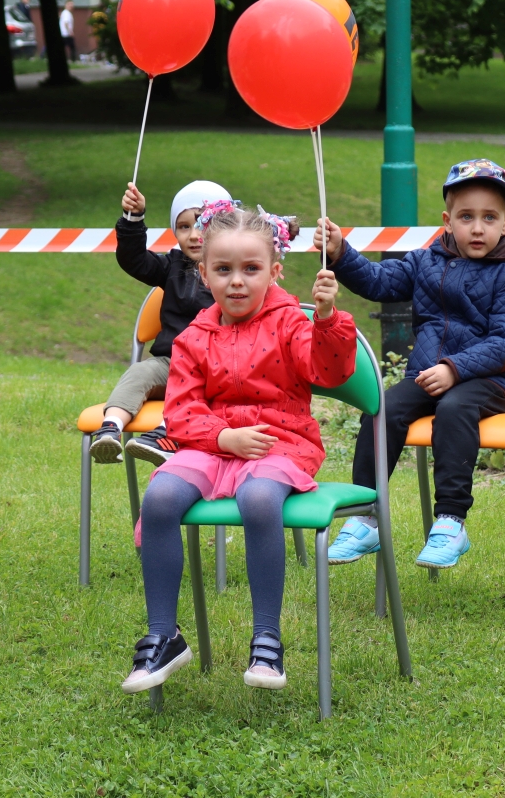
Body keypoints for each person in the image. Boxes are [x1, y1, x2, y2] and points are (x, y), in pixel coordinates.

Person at [121, 203, 356, 694]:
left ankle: (267, 639)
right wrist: (222, 437)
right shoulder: (193, 337)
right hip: (211, 445)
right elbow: (182, 412)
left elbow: (330, 373)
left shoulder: (292, 322)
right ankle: (164, 635)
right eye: (223, 270)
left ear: (275, 271)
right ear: (203, 274)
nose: (237, 282)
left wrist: (328, 319)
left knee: (258, 499)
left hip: (279, 443)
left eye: (251, 269)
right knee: (160, 497)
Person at [317, 158, 505, 570]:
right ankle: (365, 517)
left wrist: (455, 368)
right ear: (447, 221)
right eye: (467, 217)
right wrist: (341, 253)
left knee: (453, 408)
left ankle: (450, 521)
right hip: (427, 375)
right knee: (383, 409)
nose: (478, 228)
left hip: (487, 380)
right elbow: (378, 282)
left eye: (490, 217)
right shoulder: (424, 260)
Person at [87, 180, 232, 466]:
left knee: (204, 384)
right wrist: (133, 219)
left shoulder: (234, 274)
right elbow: (134, 260)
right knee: (140, 372)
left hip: (213, 367)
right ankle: (111, 429)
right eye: (184, 226)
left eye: (203, 224)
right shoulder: (171, 266)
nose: (194, 235)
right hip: (170, 362)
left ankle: (166, 434)